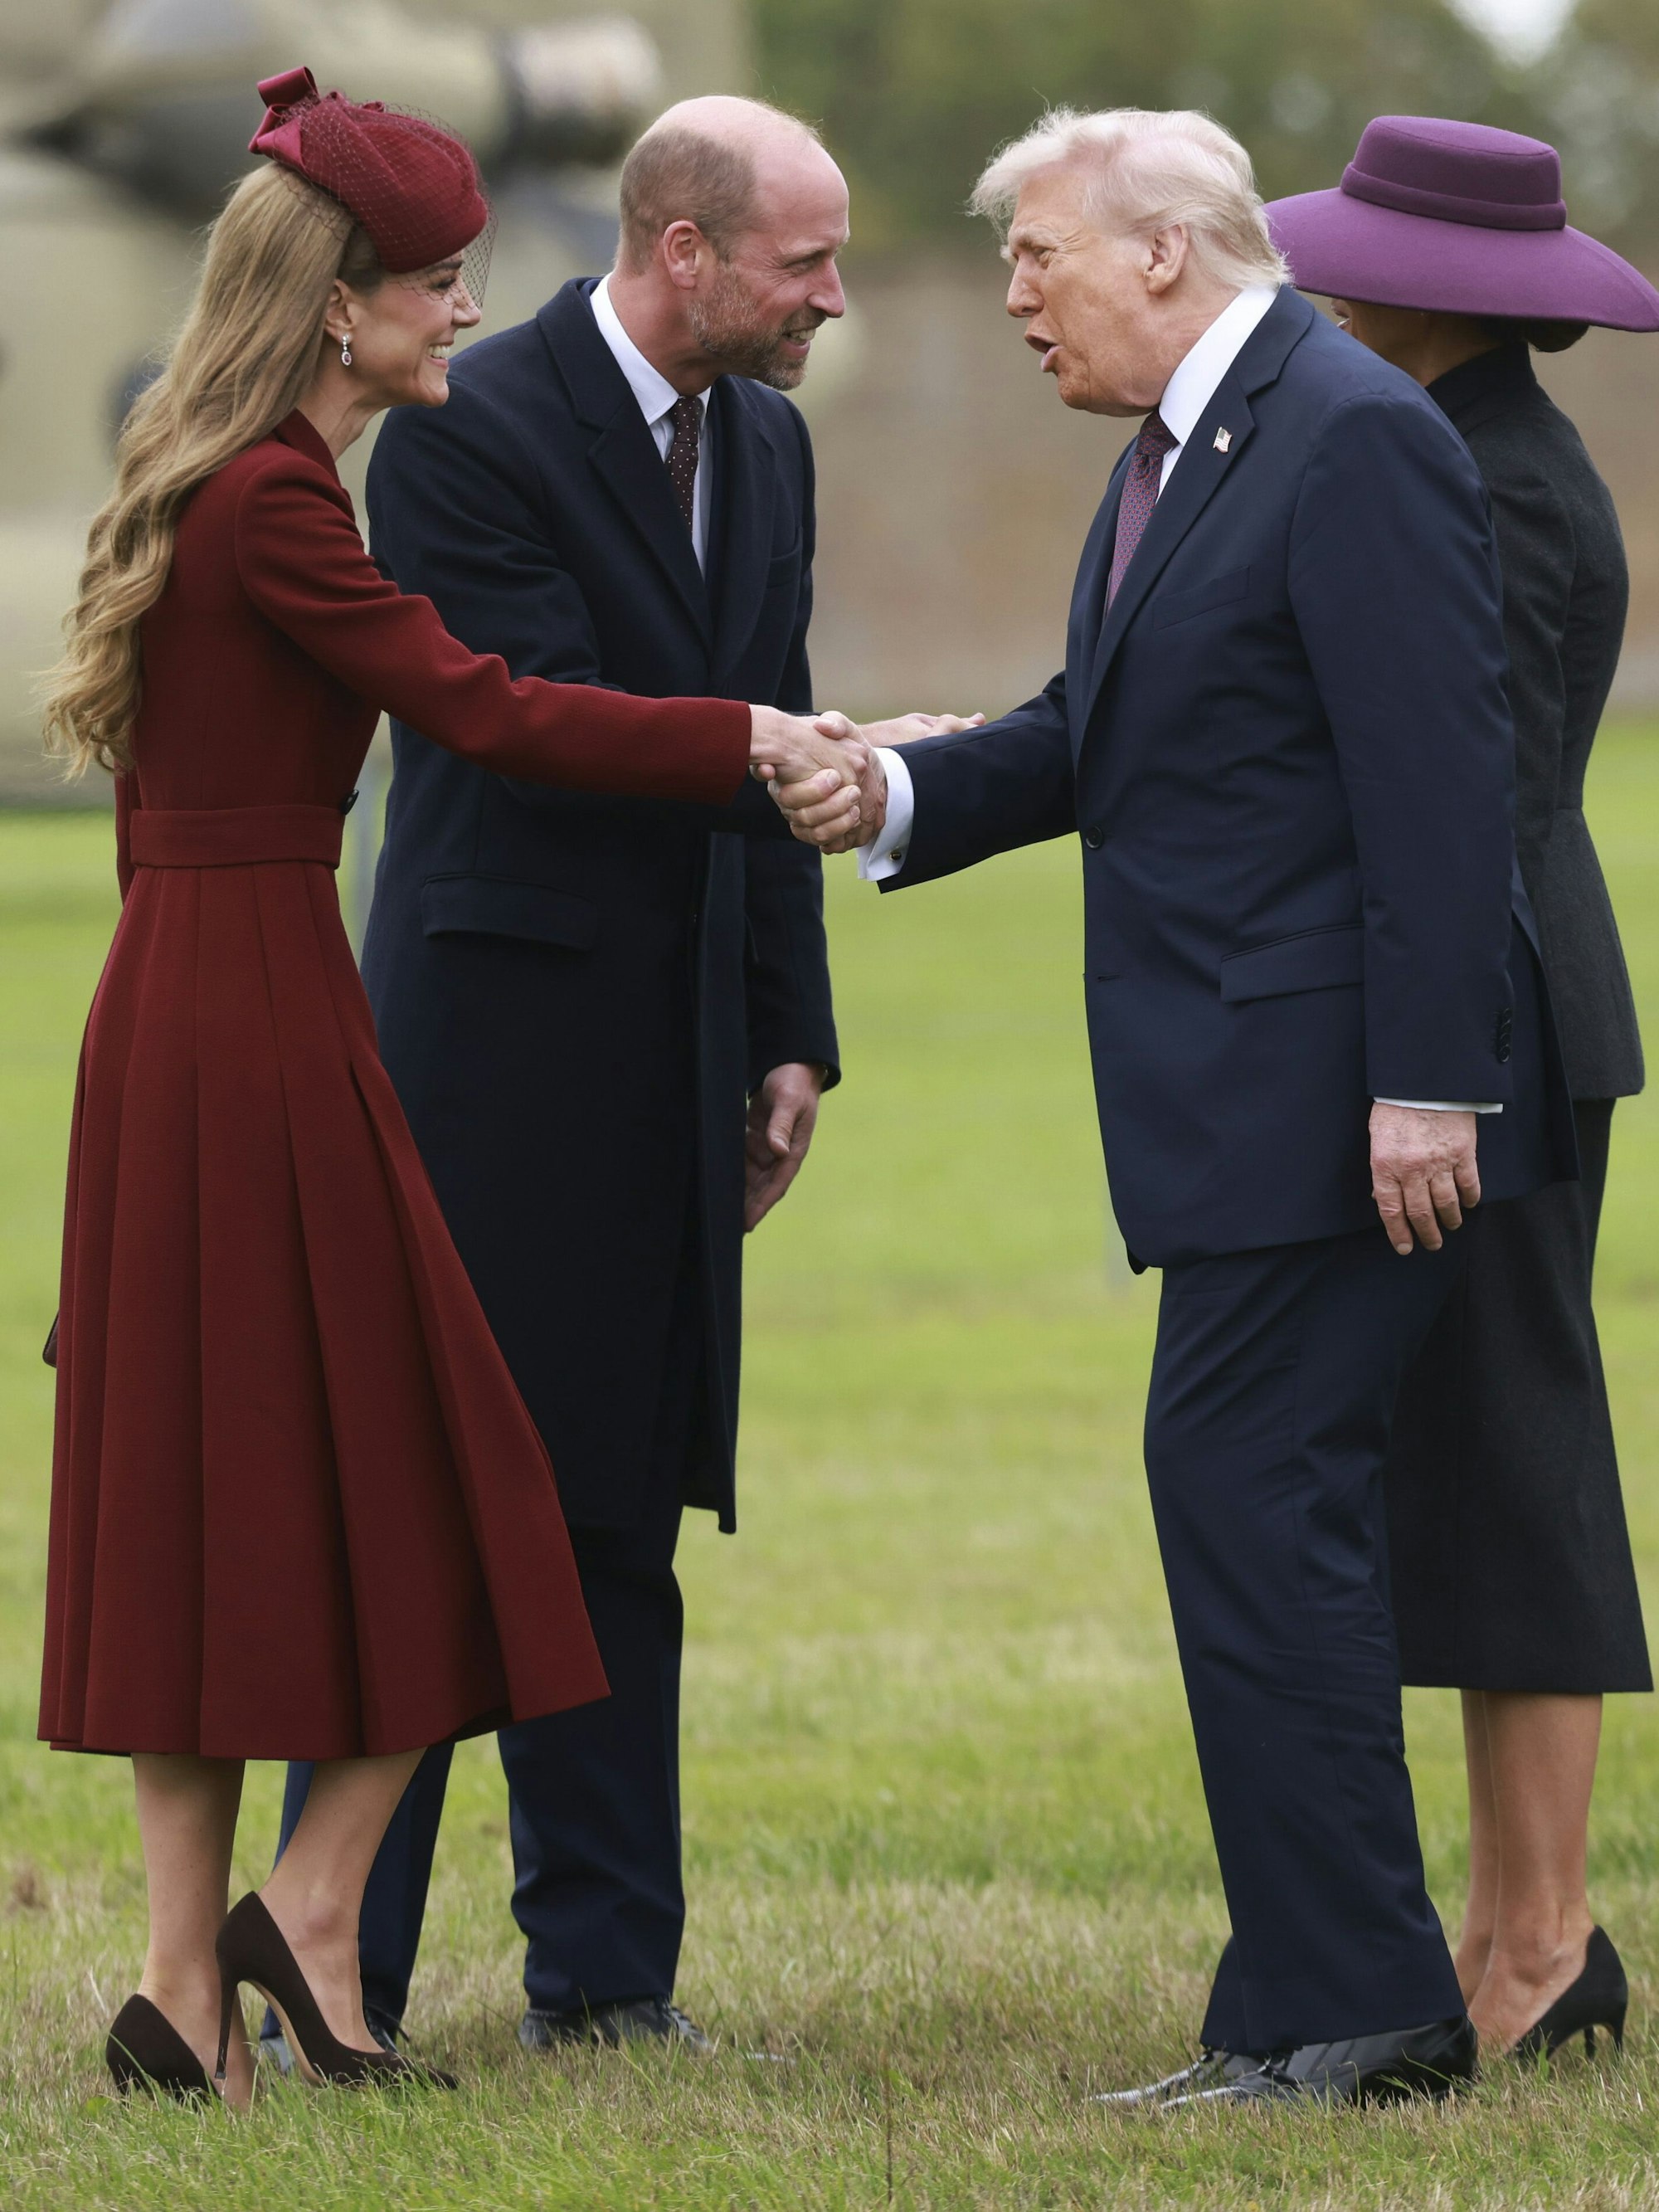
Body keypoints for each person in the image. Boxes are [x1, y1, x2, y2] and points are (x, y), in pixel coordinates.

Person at [37, 66, 862, 2108]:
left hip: (194, 995)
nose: (461, 320)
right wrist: (757, 735)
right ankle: (309, 1916)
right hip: (261, 1009)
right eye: (434, 287)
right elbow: (476, 703)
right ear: (339, 306)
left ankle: (180, 1989)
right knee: (459, 1483)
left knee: (213, 1497)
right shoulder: (285, 498)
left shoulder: (209, 467)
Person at [777, 105, 1576, 2108]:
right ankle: (1320, 1996)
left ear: (1164, 251)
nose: (1014, 296)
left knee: (1259, 1511)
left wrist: (1423, 1085)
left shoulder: (1352, 431)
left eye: (1036, 255)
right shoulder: (1189, 446)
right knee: (1251, 1513)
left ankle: (1358, 2013)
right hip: (1238, 1105)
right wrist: (892, 792)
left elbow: (1436, 788)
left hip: (1329, 1110)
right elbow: (1102, 733)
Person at [264, 93, 974, 2063]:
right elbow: (532, 723)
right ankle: (339, 1964)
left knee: (617, 1510)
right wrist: (776, 734)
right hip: (490, 1054)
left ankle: (607, 1973)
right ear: (685, 253)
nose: (836, 297)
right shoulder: (468, 434)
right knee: (423, 1507)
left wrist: (787, 1029)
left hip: (675, 1051)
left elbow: (766, 753)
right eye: (807, 264)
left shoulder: (771, 438)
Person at [1266, 115, 1659, 2060]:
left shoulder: (1491, 480)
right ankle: (1515, 1930)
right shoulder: (1460, 444)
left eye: (1358, 253)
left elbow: (1454, 804)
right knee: (1478, 1471)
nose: (1324, 273)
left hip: (1494, 1030)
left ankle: (1545, 1941)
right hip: (1482, 1018)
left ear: (1444, 295)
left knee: (1519, 1471)